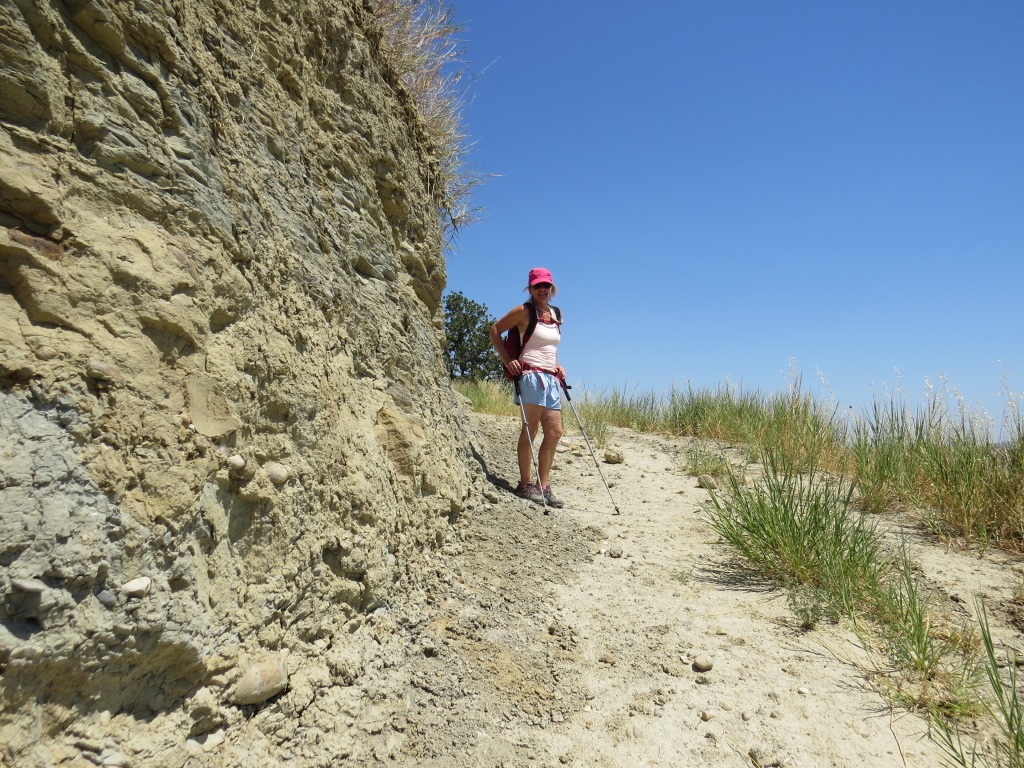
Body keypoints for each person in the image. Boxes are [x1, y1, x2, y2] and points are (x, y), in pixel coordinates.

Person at [489, 267, 567, 508]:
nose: (542, 290)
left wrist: (557, 366)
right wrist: (507, 360)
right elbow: (494, 330)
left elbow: (549, 347)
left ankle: (543, 486)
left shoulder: (556, 314)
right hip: (531, 376)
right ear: (530, 289)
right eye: (537, 286)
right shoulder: (524, 311)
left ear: (552, 288)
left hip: (550, 378)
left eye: (546, 286)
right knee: (531, 429)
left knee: (554, 432)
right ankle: (525, 484)